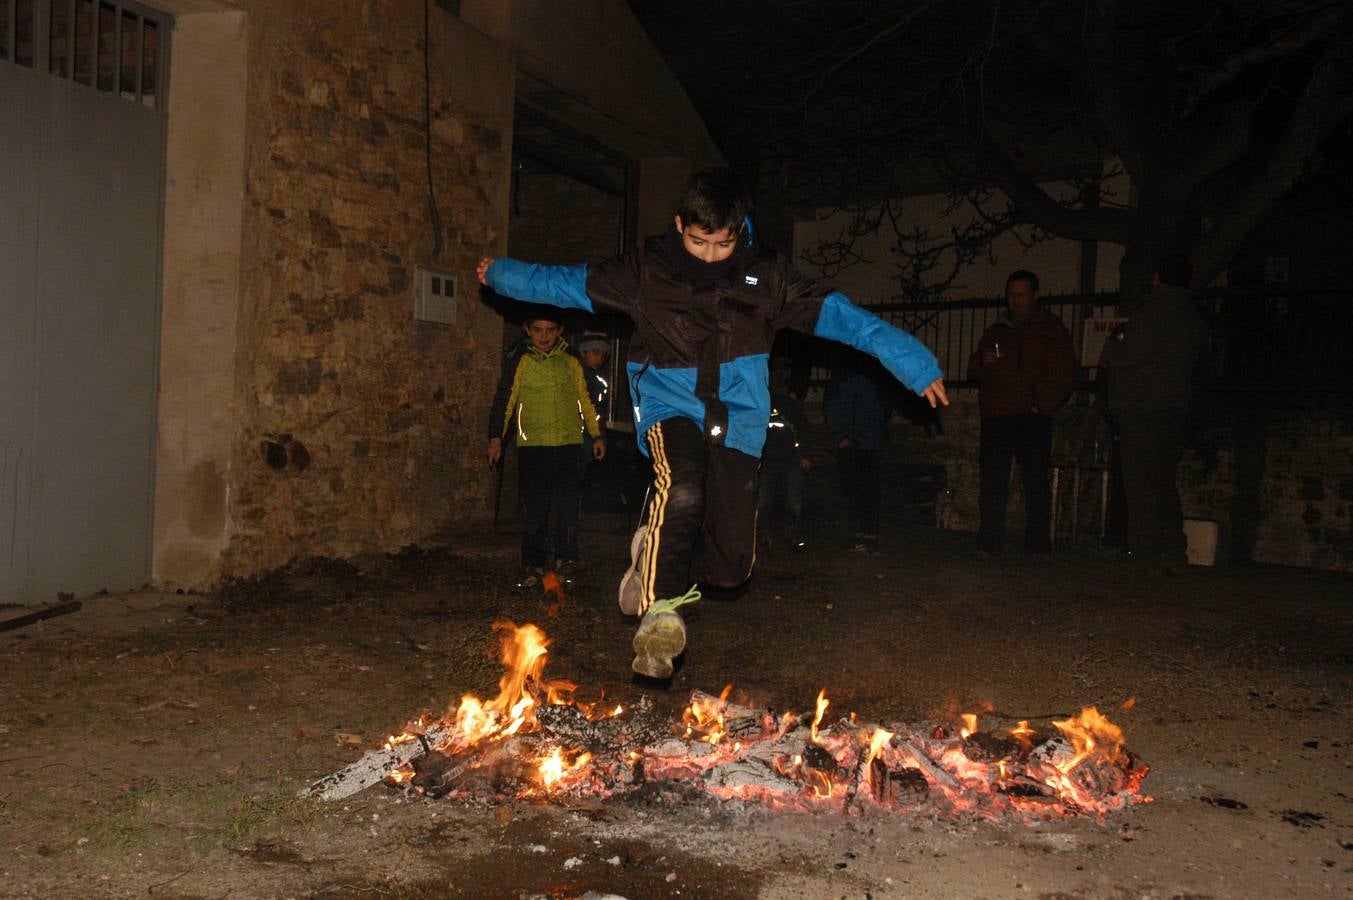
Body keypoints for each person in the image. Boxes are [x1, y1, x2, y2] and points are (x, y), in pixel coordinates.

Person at [478, 168, 948, 678]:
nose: (707, 256)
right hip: (668, 405)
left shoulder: (768, 276)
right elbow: (565, 283)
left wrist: (913, 362)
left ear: (740, 230)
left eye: (721, 245)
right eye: (697, 241)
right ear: (680, 225)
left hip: (739, 420)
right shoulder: (646, 269)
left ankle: (653, 551)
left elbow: (845, 319)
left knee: (729, 569)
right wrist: (500, 274)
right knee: (681, 488)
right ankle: (660, 612)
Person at [1100, 252, 1206, 571]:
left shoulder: (1153, 312)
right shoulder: (1192, 316)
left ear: (1159, 277)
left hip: (1143, 408)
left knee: (1140, 482)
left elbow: (1128, 351)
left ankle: (1144, 551)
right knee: (1163, 480)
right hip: (1174, 406)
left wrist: (1114, 343)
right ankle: (1173, 548)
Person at [487, 313, 605, 589]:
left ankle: (567, 562)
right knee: (536, 510)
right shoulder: (521, 360)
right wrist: (496, 437)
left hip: (569, 445)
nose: (544, 336)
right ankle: (532, 565)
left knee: (567, 509)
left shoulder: (571, 361)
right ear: (527, 329)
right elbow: (506, 399)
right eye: (538, 329)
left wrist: (598, 435)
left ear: (559, 331)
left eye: (550, 330)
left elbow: (587, 401)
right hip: (534, 447)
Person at [966, 270, 1078, 559]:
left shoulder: (1050, 330)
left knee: (1036, 482)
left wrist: (1042, 404)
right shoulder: (997, 330)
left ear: (1035, 295)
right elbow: (973, 369)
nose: (1016, 300)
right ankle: (989, 542)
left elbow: (1064, 373)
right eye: (1012, 295)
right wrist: (983, 362)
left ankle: (1038, 545)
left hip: (1030, 416)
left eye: (1021, 294)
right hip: (997, 415)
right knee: (993, 481)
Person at [822, 354, 893, 555]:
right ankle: (855, 536)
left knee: (869, 491)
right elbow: (831, 406)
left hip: (869, 443)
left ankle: (869, 536)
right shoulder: (842, 375)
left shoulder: (876, 375)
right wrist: (840, 436)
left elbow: (884, 407)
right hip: (848, 443)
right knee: (850, 490)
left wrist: (870, 434)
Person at [757, 366, 812, 552]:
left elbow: (802, 430)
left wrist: (805, 455)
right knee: (763, 500)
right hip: (765, 461)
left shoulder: (789, 405)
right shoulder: (757, 404)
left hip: (790, 460)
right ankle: (763, 533)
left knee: (793, 500)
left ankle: (791, 531)